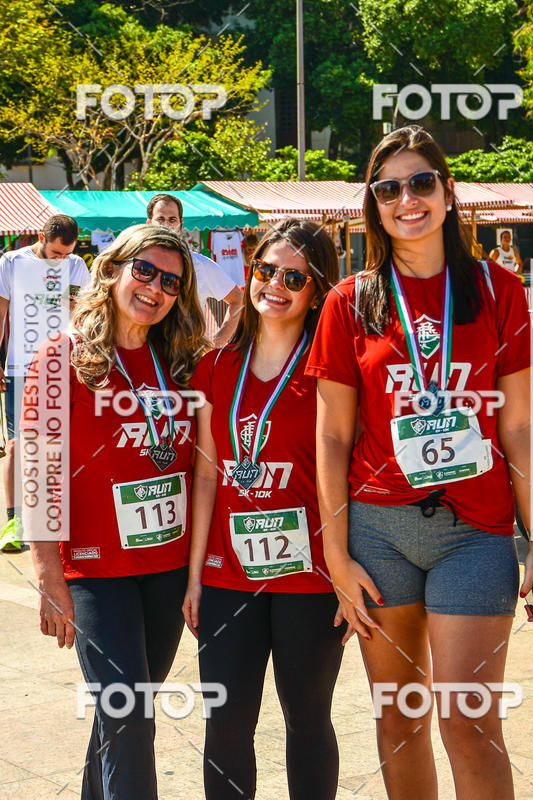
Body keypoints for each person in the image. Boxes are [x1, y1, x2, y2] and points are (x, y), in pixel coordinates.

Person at [306, 126, 533, 800]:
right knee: (399, 721)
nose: (406, 199)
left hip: (475, 532)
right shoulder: (350, 301)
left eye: (421, 182)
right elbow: (331, 437)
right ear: (373, 205)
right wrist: (336, 555)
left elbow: (521, 425)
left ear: (448, 191)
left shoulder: (500, 291)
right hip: (377, 532)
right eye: (388, 189)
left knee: (469, 722)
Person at [24, 224, 209, 799]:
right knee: (129, 713)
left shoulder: (181, 364)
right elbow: (36, 472)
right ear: (112, 271)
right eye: (145, 271)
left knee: (123, 715)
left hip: (164, 569)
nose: (155, 288)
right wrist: (48, 574)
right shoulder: (61, 360)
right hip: (94, 571)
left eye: (172, 282)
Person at [183, 218, 345, 800]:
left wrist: (346, 571)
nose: (275, 284)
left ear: (317, 289)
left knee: (307, 720)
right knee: (226, 725)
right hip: (228, 576)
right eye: (265, 269)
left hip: (312, 580)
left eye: (294, 277)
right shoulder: (214, 366)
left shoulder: (332, 370)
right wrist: (196, 575)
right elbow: (204, 473)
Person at [0, 214, 90, 552]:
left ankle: (58, 516)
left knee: (65, 442)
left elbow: (80, 312)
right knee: (16, 446)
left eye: (66, 254)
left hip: (64, 363)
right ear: (40, 237)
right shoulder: (11, 262)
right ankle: (14, 521)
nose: (61, 260)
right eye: (55, 254)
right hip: (20, 364)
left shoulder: (77, 265)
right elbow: (1, 314)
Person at [146, 193, 243, 346]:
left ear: (181, 224)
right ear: (149, 223)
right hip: (148, 358)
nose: (166, 225)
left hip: (188, 361)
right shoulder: (137, 266)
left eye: (172, 220)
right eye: (160, 219)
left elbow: (238, 300)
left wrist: (215, 344)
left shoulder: (200, 264)